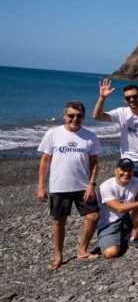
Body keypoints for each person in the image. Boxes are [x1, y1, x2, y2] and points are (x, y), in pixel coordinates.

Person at [92, 79, 138, 237]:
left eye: (134, 96)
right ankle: (133, 228)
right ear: (125, 100)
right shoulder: (122, 113)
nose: (132, 100)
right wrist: (102, 98)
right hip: (129, 161)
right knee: (133, 195)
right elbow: (97, 116)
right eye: (128, 98)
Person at [37, 100, 101, 270]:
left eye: (79, 116)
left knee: (94, 216)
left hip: (83, 186)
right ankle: (58, 256)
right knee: (59, 221)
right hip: (59, 186)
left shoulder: (90, 136)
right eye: (71, 115)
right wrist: (41, 186)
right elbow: (45, 161)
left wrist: (91, 184)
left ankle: (82, 250)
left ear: (83, 117)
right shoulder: (52, 134)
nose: (75, 119)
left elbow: (94, 163)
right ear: (64, 115)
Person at [98, 158, 138, 258]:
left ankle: (133, 238)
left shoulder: (134, 181)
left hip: (125, 219)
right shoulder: (106, 186)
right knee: (110, 253)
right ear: (116, 171)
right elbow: (119, 208)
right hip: (109, 223)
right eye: (123, 170)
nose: (126, 173)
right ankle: (119, 237)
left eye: (129, 170)